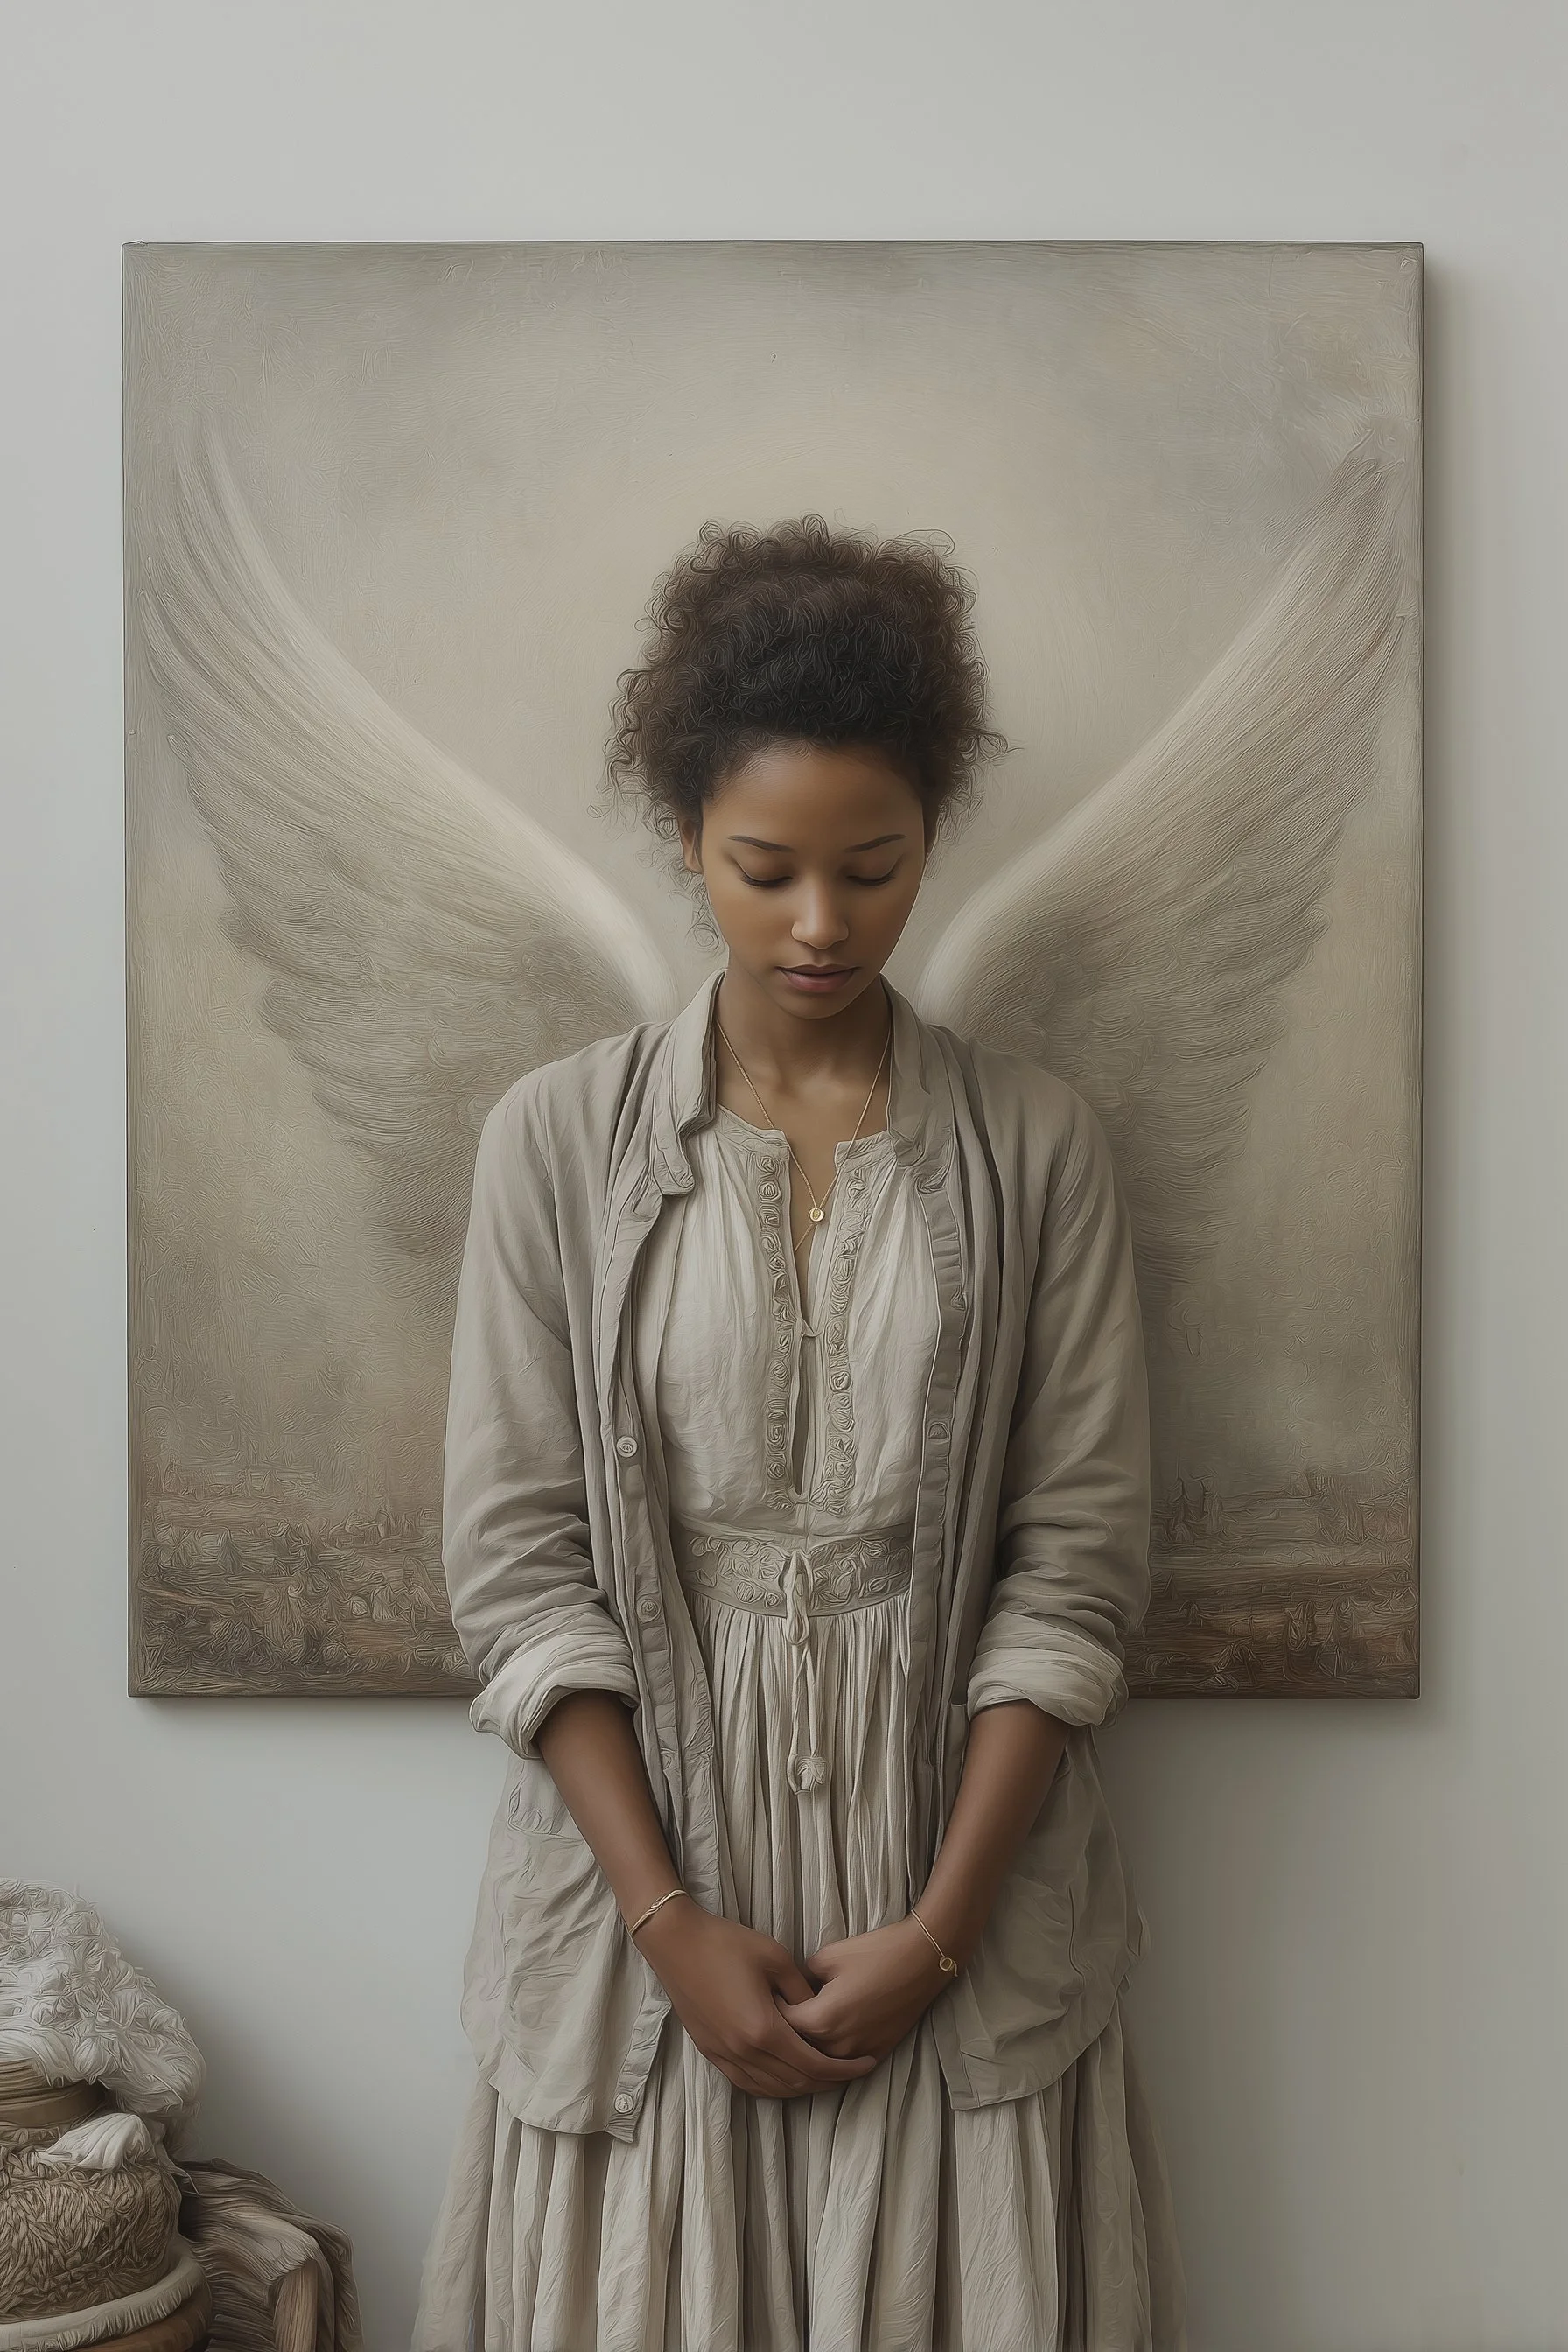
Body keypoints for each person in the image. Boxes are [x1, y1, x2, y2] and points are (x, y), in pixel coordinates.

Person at [414, 518, 1187, 2349]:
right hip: (638, 1917)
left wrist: (932, 1937)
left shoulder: (1037, 1150)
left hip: (967, 1921)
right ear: (688, 839)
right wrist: (669, 1922)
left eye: (874, 867)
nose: (821, 924)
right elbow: (517, 1574)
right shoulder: (552, 1145)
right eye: (764, 870)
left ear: (929, 844)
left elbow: (1073, 1572)